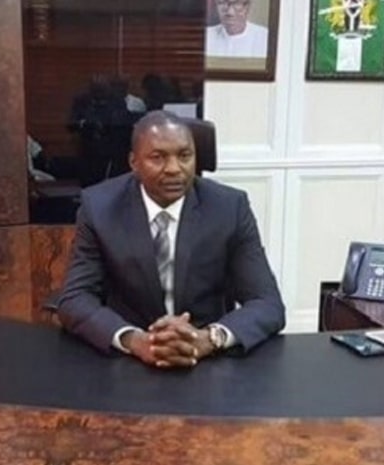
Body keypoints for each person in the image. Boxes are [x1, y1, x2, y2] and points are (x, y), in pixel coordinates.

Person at [58, 110, 285, 368]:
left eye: (185, 156)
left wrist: (210, 338)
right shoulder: (99, 208)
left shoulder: (229, 208)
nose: (174, 169)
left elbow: (267, 303)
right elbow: (75, 298)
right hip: (128, 361)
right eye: (158, 157)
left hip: (208, 360)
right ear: (134, 162)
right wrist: (134, 340)